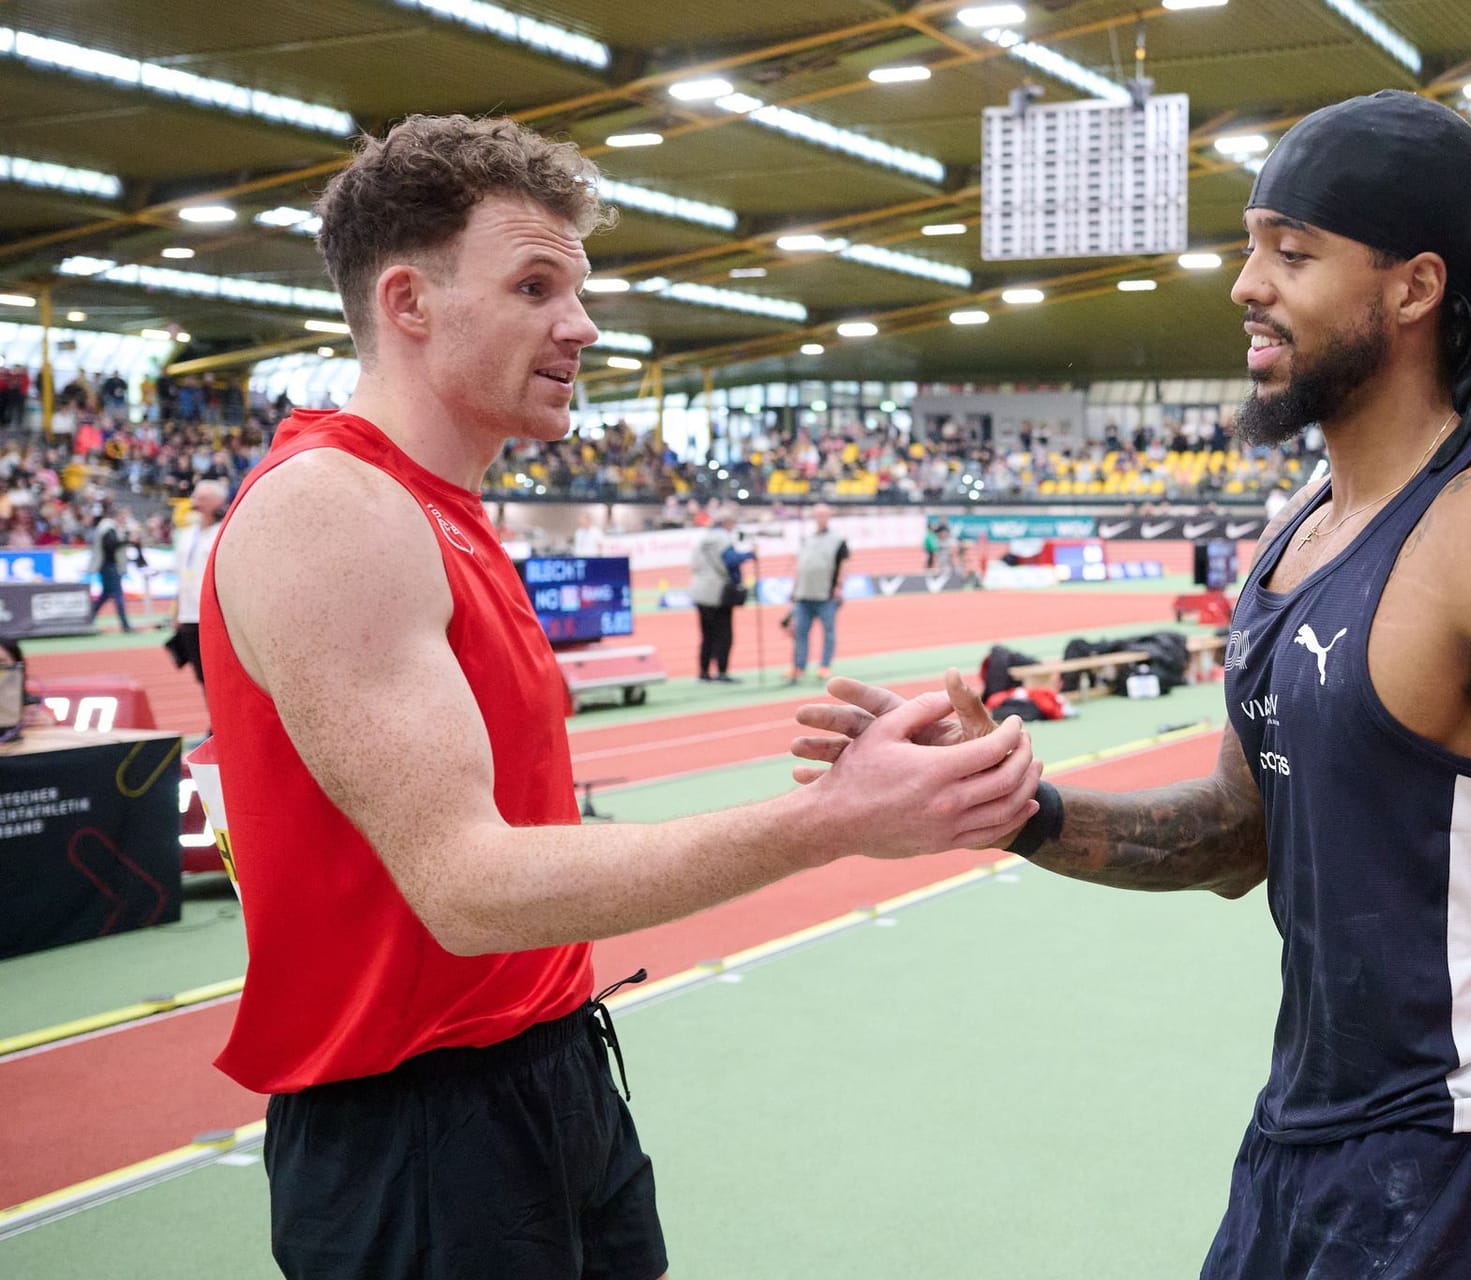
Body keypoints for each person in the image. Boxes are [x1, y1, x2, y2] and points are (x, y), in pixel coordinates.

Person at [798, 91, 1471, 1280]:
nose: (1244, 282)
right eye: (1249, 245)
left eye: (1293, 251)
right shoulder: (1295, 532)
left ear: (1413, 287)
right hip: (1296, 1150)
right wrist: (1014, 807)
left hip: (1465, 1163)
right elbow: (1240, 834)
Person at [193, 114, 1040, 1280]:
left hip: (549, 1068)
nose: (582, 326)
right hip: (419, 1131)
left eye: (578, 289)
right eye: (536, 285)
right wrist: (834, 818)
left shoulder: (445, 511)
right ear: (408, 303)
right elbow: (465, 887)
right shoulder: (331, 509)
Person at [172, 479, 226, 687]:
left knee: (220, 674)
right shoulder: (186, 535)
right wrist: (176, 612)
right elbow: (181, 574)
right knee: (201, 674)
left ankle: (222, 720)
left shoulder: (222, 532)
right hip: (189, 614)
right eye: (195, 497)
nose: (196, 502)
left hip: (214, 615)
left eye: (202, 498)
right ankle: (213, 719)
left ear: (217, 502)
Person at [689, 504, 752, 683]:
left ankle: (703, 671)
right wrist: (749, 555)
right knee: (724, 633)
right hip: (718, 592)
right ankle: (722, 671)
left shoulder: (703, 539)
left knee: (707, 634)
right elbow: (731, 560)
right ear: (727, 522)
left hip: (700, 590)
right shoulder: (723, 538)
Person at [788, 502, 848, 684]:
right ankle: (798, 666)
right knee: (800, 632)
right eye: (817, 515)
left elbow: (844, 564)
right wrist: (794, 588)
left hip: (825, 595)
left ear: (829, 517)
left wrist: (839, 585)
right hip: (804, 594)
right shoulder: (807, 539)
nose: (820, 518)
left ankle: (824, 665)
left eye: (824, 515)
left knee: (828, 632)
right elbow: (801, 566)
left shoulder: (838, 539)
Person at [88, 504, 132, 633]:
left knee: (105, 595)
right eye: (124, 516)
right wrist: (126, 539)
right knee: (118, 595)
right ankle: (125, 625)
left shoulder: (112, 528)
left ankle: (88, 618)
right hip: (109, 566)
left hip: (108, 565)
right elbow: (110, 545)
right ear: (118, 516)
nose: (125, 519)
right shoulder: (108, 527)